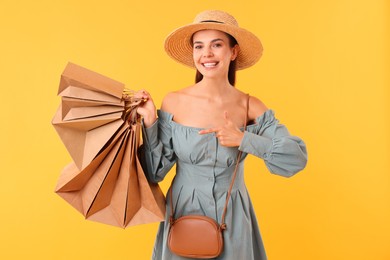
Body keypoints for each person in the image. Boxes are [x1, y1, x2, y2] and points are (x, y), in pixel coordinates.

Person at [136, 10, 308, 260]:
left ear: (233, 51)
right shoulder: (174, 102)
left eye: (216, 45)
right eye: (199, 46)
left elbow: (296, 158)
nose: (206, 54)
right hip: (182, 217)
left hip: (233, 219)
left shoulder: (250, 106)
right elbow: (154, 173)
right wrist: (151, 122)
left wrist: (244, 140)